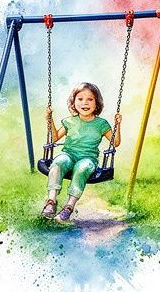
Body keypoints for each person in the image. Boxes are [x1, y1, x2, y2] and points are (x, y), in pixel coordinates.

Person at [42, 82, 122, 221]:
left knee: (82, 168)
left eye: (90, 99)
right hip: (69, 155)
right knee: (59, 161)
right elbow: (54, 138)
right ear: (74, 102)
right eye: (80, 99)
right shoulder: (69, 121)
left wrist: (118, 125)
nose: (85, 103)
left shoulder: (101, 124)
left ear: (97, 104)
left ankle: (69, 206)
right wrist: (49, 120)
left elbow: (115, 142)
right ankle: (51, 201)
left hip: (88, 159)